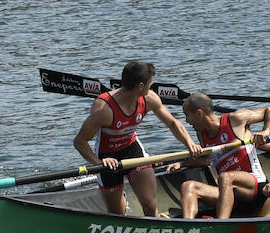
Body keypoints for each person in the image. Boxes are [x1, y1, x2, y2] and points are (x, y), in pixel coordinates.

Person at [72, 61, 201, 218]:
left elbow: (173, 123)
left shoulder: (150, 99)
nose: (152, 86)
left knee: (149, 204)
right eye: (150, 83)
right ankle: (122, 201)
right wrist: (99, 164)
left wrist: (190, 144)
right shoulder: (103, 109)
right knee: (116, 214)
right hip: (107, 158)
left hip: (132, 150)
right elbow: (79, 142)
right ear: (141, 86)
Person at [173, 93, 270, 219]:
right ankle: (188, 228)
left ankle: (220, 225)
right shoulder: (202, 134)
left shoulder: (235, 120)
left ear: (199, 113)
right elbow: (207, 160)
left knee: (225, 177)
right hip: (228, 193)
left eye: (187, 115)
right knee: (188, 186)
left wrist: (265, 131)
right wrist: (182, 164)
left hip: (254, 187)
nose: (187, 121)